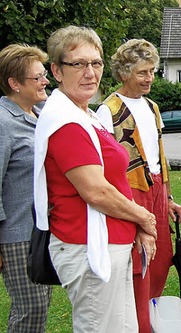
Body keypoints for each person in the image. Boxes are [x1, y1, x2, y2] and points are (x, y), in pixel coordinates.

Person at [33, 25, 158, 332]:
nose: (90, 73)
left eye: (96, 63)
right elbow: (96, 191)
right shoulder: (65, 122)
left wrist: (137, 226)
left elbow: (116, 181)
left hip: (112, 242)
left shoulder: (84, 115)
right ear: (57, 71)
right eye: (78, 64)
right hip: (88, 249)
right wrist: (145, 217)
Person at [96, 38, 181, 333]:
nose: (149, 78)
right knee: (137, 264)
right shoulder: (107, 111)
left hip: (157, 190)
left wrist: (169, 198)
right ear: (124, 73)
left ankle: (149, 319)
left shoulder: (152, 106)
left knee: (160, 260)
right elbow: (106, 167)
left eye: (152, 72)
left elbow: (160, 155)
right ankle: (136, 325)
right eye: (142, 73)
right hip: (130, 192)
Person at [0, 44, 52, 332]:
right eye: (38, 77)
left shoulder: (42, 112)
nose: (45, 81)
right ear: (14, 83)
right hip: (17, 235)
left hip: (43, 229)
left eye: (45, 74)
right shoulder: (3, 122)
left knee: (40, 306)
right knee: (29, 310)